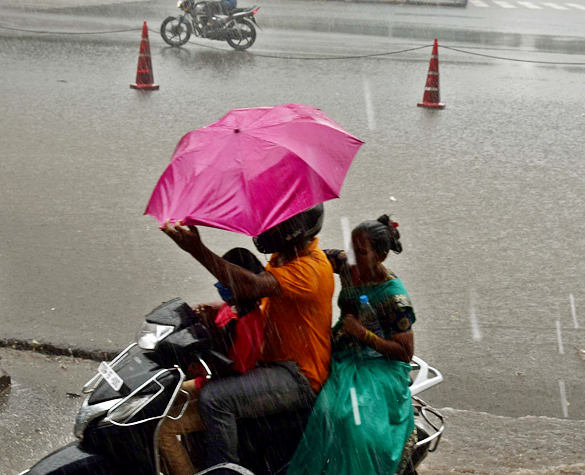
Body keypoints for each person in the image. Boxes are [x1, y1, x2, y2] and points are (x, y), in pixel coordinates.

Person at [160, 203, 334, 469]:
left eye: (275, 222)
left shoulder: (308, 269)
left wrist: (197, 249)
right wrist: (220, 309)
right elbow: (260, 300)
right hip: (271, 363)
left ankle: (224, 471)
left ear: (294, 229)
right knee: (169, 392)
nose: (266, 227)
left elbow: (250, 286)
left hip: (298, 375)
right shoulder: (285, 255)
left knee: (215, 399)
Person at [287, 215, 417, 475]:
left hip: (376, 366)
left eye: (362, 251)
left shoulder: (394, 296)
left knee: (348, 422)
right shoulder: (346, 265)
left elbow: (405, 352)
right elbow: (312, 258)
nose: (353, 257)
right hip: (340, 351)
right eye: (352, 248)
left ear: (381, 256)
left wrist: (362, 334)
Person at [158, 247, 267, 475]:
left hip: (216, 390)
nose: (220, 286)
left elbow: (234, 371)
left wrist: (198, 368)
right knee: (159, 400)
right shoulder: (234, 307)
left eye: (224, 280)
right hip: (204, 383)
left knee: (164, 430)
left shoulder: (249, 324)